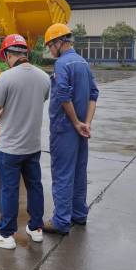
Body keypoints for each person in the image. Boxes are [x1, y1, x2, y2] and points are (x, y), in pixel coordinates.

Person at [0, 34, 51, 250]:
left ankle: (6, 234)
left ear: (7, 54)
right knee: (34, 186)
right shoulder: (44, 77)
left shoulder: (6, 78)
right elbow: (39, 101)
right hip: (33, 145)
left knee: (9, 189)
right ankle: (36, 228)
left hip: (9, 147)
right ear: (25, 52)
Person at [43, 24, 99, 236]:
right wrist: (86, 123)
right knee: (78, 172)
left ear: (59, 42)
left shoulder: (61, 64)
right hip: (81, 129)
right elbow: (93, 94)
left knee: (62, 174)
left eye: (50, 45)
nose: (50, 50)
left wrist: (76, 122)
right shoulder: (83, 63)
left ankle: (60, 221)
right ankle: (79, 213)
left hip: (65, 128)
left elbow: (64, 96)